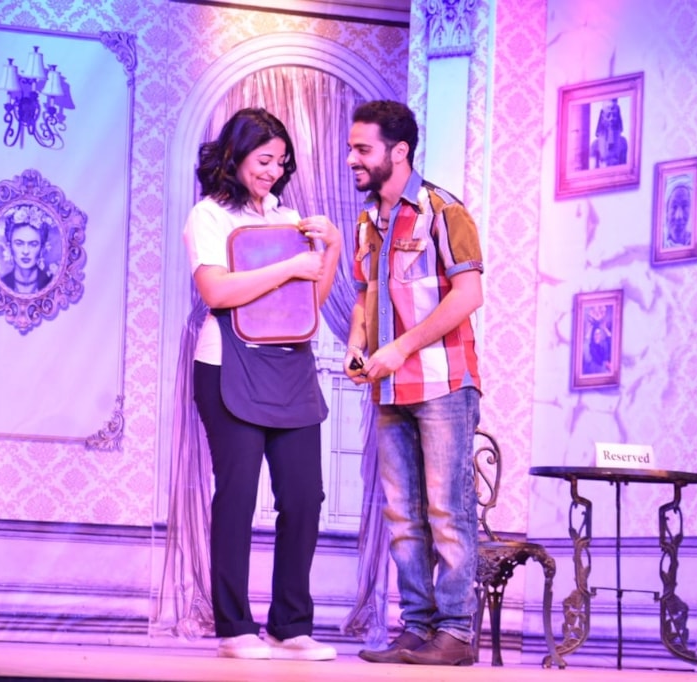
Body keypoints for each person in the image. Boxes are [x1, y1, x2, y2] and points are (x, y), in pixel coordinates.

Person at [182, 107, 341, 661]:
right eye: (264, 159)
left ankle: (290, 624)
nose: (273, 171)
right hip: (227, 365)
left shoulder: (288, 218)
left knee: (304, 497)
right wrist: (289, 266)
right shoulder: (209, 215)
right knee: (238, 495)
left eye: (281, 162)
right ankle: (234, 627)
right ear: (236, 156)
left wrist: (330, 249)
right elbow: (217, 292)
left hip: (289, 365)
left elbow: (309, 305)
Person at [343, 100, 484, 667]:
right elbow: (364, 296)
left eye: (362, 149)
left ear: (399, 151)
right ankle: (418, 627)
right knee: (402, 515)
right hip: (389, 388)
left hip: (443, 383)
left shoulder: (443, 211)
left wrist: (401, 347)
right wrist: (356, 345)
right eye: (351, 149)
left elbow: (468, 296)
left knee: (447, 510)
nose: (352, 159)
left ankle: (456, 632)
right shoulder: (366, 221)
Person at [0, 204, 54, 294]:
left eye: (33, 244)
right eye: (19, 243)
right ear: (9, 247)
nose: (26, 251)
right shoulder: (2, 283)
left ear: (42, 248)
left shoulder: (51, 283)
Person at [589, 98, 629, 168]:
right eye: (608, 115)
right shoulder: (595, 145)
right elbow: (592, 169)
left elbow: (624, 166)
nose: (611, 118)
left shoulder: (623, 142)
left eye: (614, 115)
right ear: (603, 116)